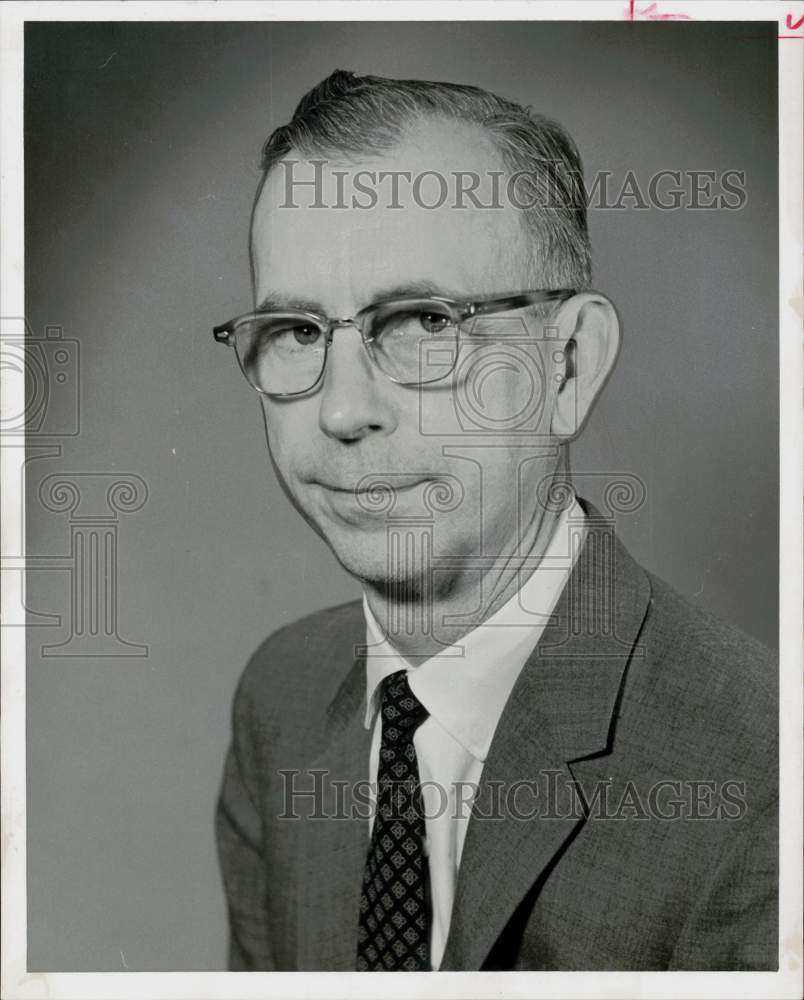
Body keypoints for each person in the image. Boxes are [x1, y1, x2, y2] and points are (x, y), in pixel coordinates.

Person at [213, 70, 777, 972]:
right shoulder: (277, 700)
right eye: (297, 331)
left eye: (425, 321)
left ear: (567, 367)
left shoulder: (763, 773)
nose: (342, 410)